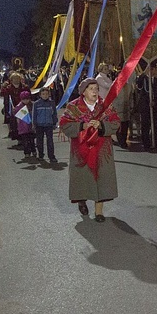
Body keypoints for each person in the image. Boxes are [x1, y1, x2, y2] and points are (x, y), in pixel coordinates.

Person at [59, 78, 120, 223]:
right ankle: (82, 200)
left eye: (96, 88)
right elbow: (64, 125)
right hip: (81, 152)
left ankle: (99, 212)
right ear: (83, 92)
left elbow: (116, 122)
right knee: (83, 179)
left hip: (102, 151)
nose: (95, 91)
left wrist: (101, 125)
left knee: (102, 179)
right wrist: (82, 126)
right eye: (91, 88)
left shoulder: (105, 106)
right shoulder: (73, 107)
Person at [136, 62, 157, 151]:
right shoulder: (143, 79)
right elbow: (139, 86)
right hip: (145, 107)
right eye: (152, 69)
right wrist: (144, 72)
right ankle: (146, 144)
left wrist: (155, 102)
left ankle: (155, 142)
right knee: (145, 125)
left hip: (155, 107)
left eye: (154, 69)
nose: (154, 71)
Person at [1, 72, 30, 142]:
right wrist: (3, 87)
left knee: (23, 123)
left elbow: (29, 96)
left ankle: (24, 138)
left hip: (22, 108)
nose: (16, 80)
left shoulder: (24, 87)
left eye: (17, 78)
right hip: (13, 108)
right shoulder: (8, 88)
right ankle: (18, 139)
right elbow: (3, 95)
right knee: (14, 124)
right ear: (11, 79)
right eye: (14, 78)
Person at [32, 87, 58, 163]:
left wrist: (54, 122)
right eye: (43, 94)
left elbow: (54, 113)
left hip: (49, 124)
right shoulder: (36, 104)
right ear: (40, 95)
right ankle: (40, 154)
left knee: (50, 141)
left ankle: (51, 156)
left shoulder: (52, 103)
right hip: (39, 125)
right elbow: (34, 114)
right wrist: (34, 124)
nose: (45, 96)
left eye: (46, 94)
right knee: (39, 141)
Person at [13, 90, 36, 157]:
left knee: (32, 140)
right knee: (25, 141)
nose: (26, 101)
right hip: (23, 126)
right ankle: (27, 152)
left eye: (27, 99)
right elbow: (15, 113)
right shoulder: (19, 107)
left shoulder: (32, 105)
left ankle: (33, 150)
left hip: (31, 126)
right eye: (24, 99)